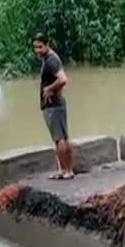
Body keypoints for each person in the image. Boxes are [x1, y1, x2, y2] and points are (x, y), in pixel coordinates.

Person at [33, 33, 73, 180]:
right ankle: (67, 170)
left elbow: (63, 79)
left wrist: (50, 89)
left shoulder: (51, 60)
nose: (37, 50)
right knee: (63, 138)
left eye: (40, 47)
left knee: (59, 139)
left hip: (54, 105)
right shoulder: (49, 59)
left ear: (47, 44)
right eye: (35, 47)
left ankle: (65, 171)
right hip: (56, 105)